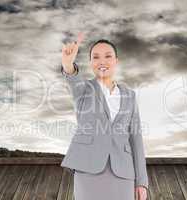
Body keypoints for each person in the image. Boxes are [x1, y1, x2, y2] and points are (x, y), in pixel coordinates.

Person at [60, 32, 148, 200]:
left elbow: (136, 139)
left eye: (108, 56)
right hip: (88, 168)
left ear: (116, 61)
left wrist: (141, 182)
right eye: (96, 57)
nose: (102, 61)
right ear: (91, 62)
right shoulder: (83, 90)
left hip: (123, 172)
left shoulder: (130, 95)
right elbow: (72, 78)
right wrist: (67, 64)